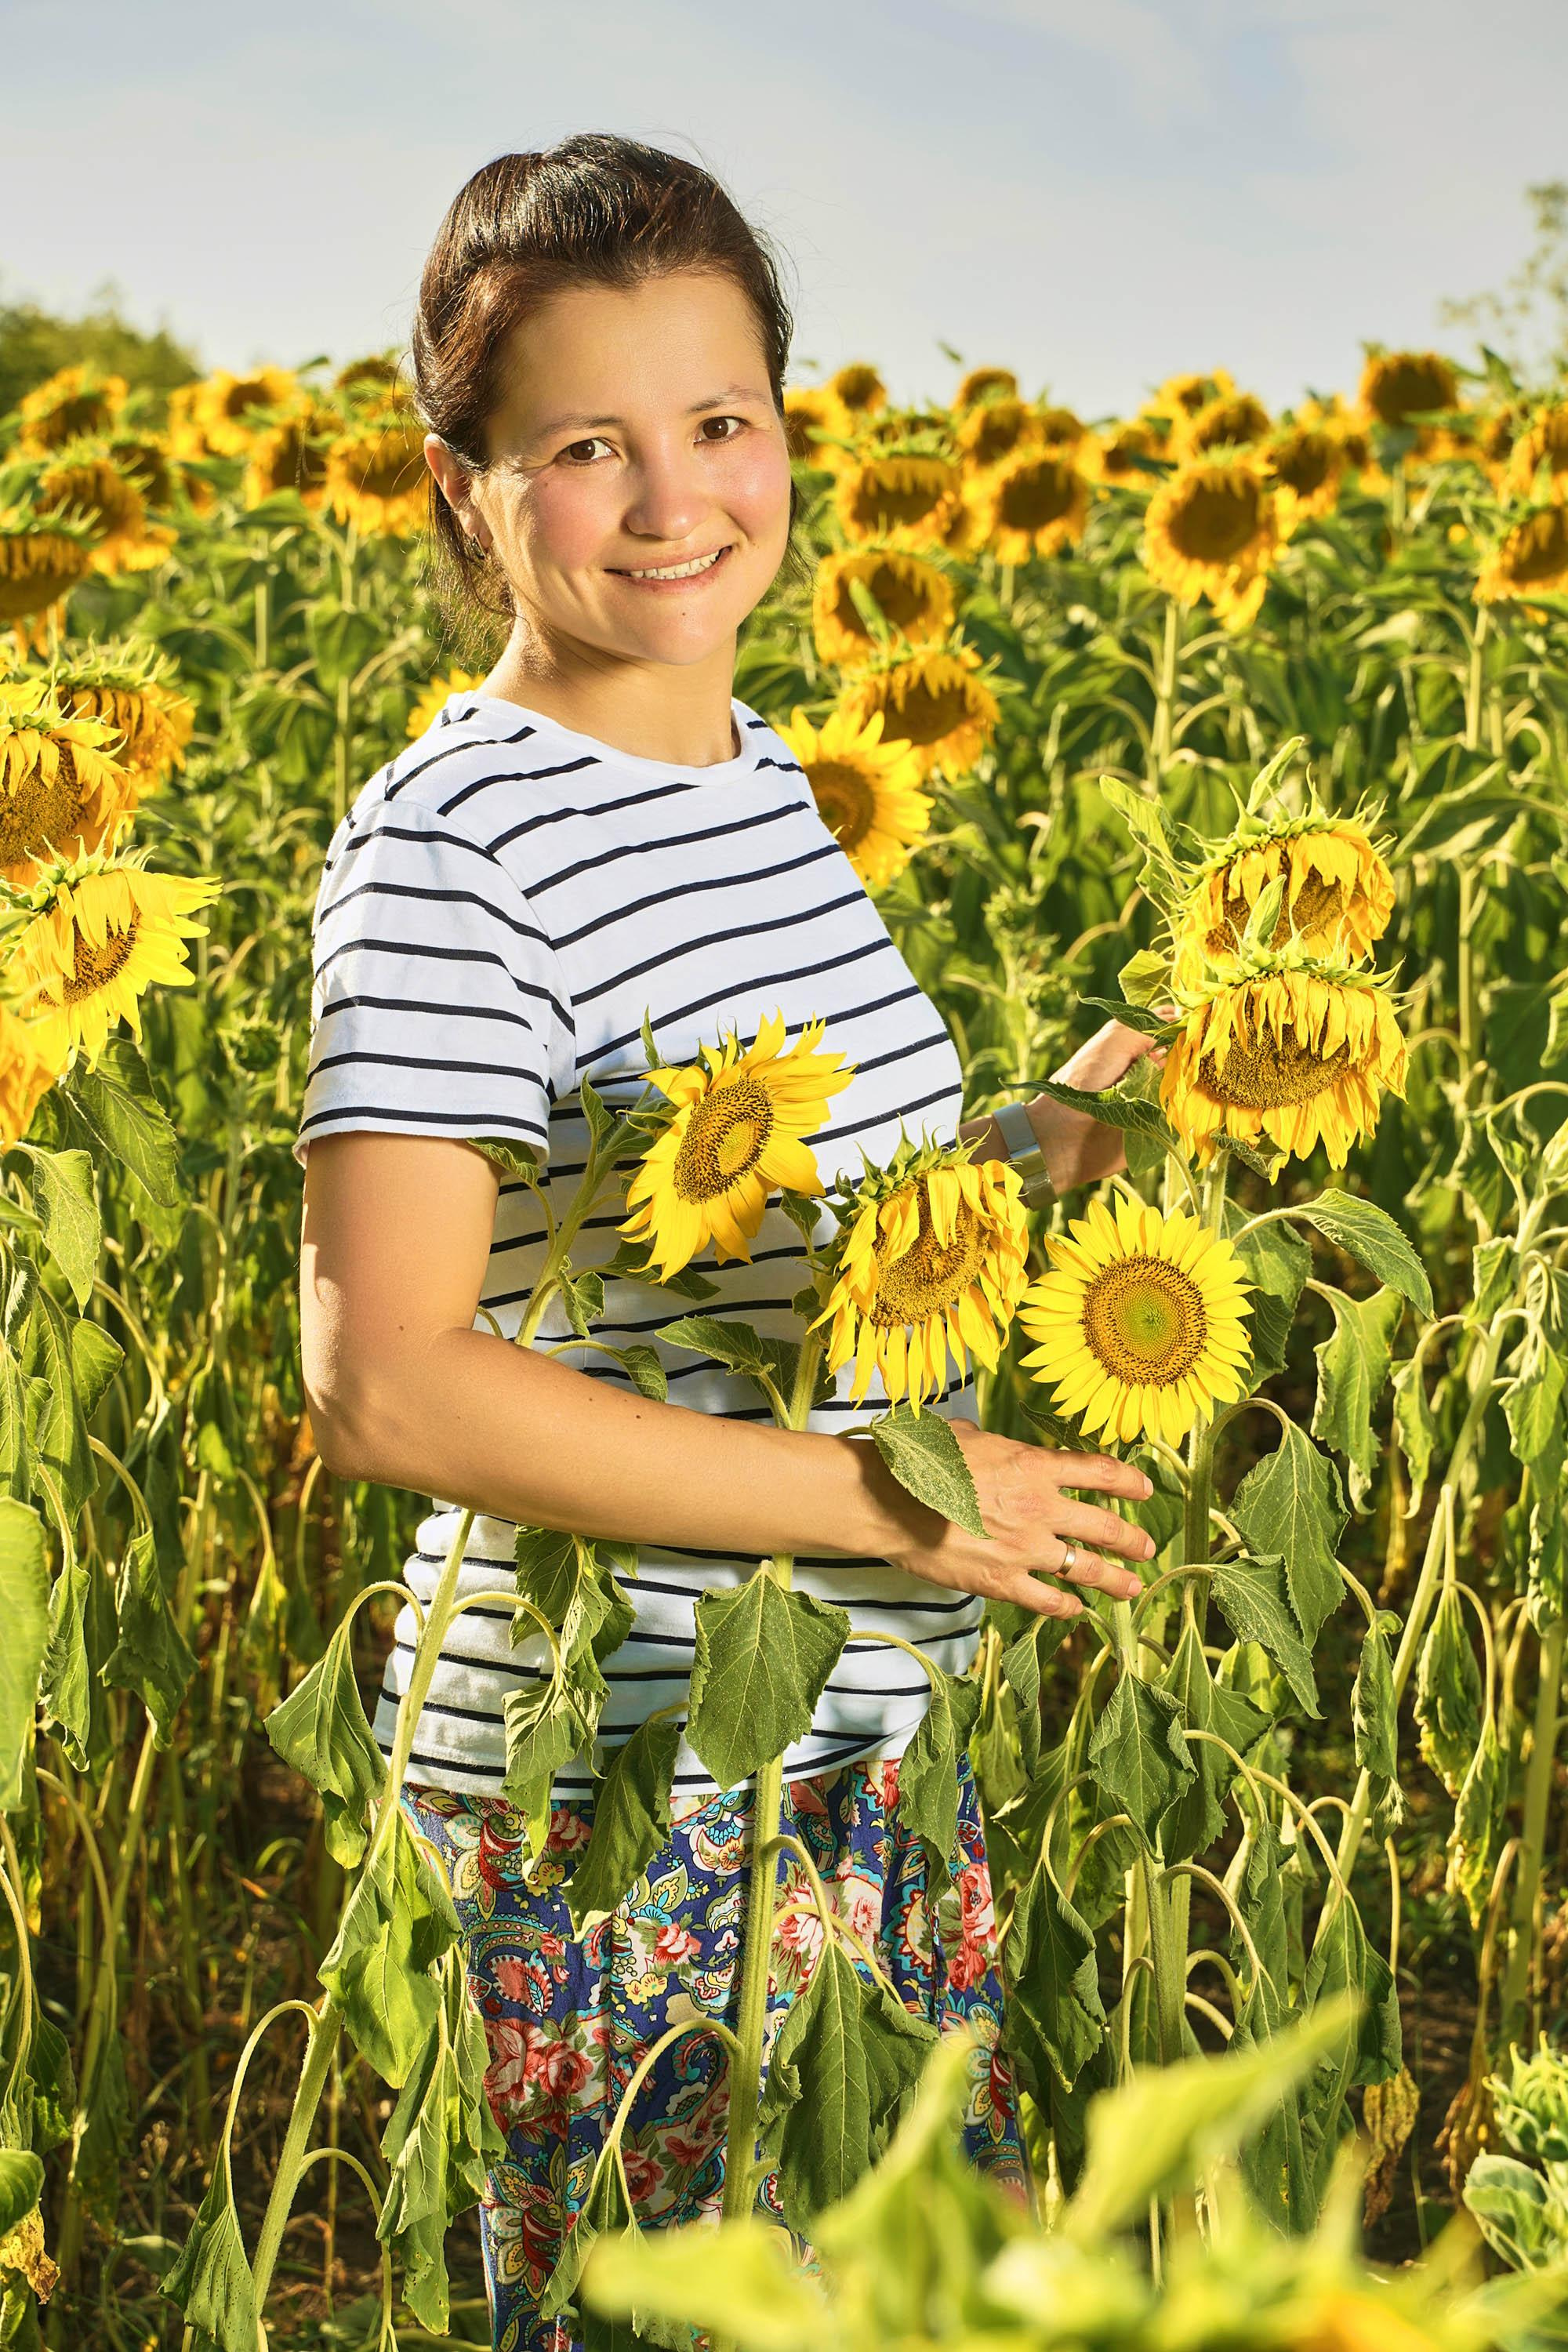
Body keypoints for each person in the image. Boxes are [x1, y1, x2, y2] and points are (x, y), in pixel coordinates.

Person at [296, 131, 1157, 2352]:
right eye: (587, 445)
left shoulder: (772, 784)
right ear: (464, 488)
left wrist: (1099, 1106)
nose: (679, 502)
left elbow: (831, 1257)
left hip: (862, 1757)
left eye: (721, 424)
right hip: (620, 1812)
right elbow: (387, 1378)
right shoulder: (445, 847)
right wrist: (888, 1503)